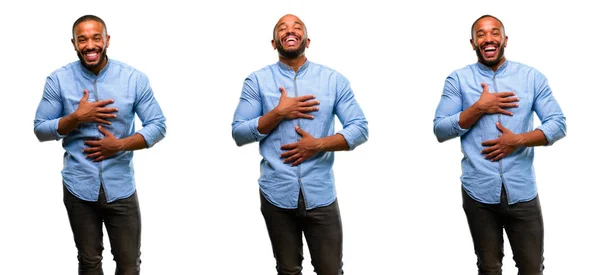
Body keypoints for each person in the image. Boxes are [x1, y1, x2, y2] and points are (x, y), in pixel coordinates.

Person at [232, 14, 368, 275]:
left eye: (297, 27)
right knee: (288, 270)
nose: (289, 31)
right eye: (282, 28)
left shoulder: (333, 80)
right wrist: (278, 114)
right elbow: (239, 133)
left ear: (307, 40)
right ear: (274, 43)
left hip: (321, 194)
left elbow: (359, 129)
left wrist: (318, 145)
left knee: (330, 270)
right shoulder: (257, 81)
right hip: (276, 193)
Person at [433, 15, 566, 275]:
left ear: (504, 40)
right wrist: (479, 108)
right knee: (489, 268)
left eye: (494, 33)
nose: (488, 38)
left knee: (532, 268)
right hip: (478, 192)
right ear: (473, 43)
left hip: (522, 191)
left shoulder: (531, 77)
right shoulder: (458, 80)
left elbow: (557, 123)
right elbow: (440, 129)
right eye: (481, 34)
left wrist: (519, 140)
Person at [34, 15, 166, 275]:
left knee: (129, 265)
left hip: (121, 188)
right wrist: (75, 118)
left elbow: (158, 125)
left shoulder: (133, 79)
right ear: (74, 44)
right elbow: (40, 129)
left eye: (96, 37)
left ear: (107, 40)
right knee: (89, 262)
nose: (90, 45)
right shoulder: (58, 80)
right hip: (78, 187)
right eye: (82, 39)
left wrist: (120, 145)